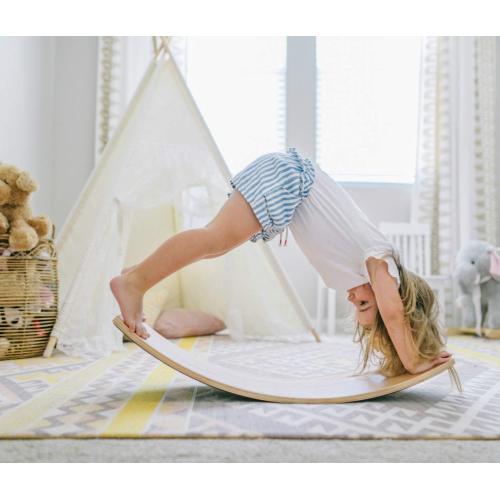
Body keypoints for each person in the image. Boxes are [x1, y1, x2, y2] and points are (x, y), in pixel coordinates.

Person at [110, 148, 452, 376]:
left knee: (215, 245)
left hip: (289, 183)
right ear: (396, 292)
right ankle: (134, 282)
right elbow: (392, 312)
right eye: (364, 301)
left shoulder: (360, 271)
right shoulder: (383, 261)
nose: (353, 298)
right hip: (290, 177)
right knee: (213, 238)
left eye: (357, 305)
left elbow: (388, 312)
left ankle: (135, 275)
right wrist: (413, 360)